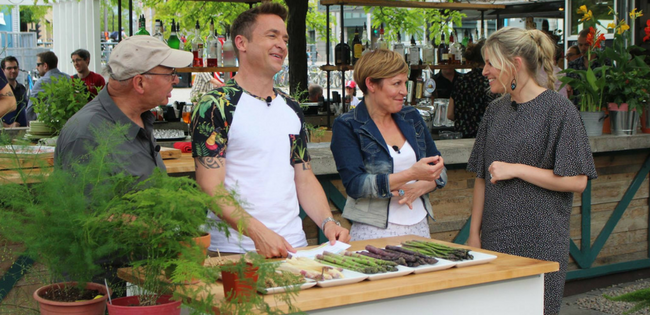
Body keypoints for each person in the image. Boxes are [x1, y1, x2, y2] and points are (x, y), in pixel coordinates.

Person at [191, 3, 350, 258]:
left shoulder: (291, 107)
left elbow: (304, 178)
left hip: (294, 247)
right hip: (234, 252)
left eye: (285, 38)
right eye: (272, 35)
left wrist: (328, 223)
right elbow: (211, 188)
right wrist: (258, 233)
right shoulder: (216, 105)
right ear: (242, 43)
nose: (282, 45)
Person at [466, 27, 597, 315]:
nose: (485, 71)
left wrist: (517, 169)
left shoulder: (559, 111)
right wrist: (474, 235)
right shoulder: (493, 112)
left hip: (542, 240)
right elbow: (481, 177)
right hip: (494, 239)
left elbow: (577, 181)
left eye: (490, 63)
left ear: (515, 64)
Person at [330, 49, 447, 241]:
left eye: (405, 83)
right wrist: (411, 175)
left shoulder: (411, 117)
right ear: (371, 84)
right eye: (396, 83)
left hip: (420, 226)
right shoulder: (348, 125)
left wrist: (420, 187)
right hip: (374, 231)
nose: (404, 91)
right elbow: (355, 185)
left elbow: (440, 170)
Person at [56, 35, 192, 180]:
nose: (176, 80)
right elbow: (86, 201)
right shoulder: (88, 137)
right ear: (139, 83)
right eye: (171, 74)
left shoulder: (139, 117)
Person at [447, 40, 495, 138]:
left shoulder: (460, 80)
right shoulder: (491, 83)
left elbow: (450, 115)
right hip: (483, 140)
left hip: (460, 139)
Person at [25, 51, 70, 122]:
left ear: (45, 66)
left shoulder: (41, 82)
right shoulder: (68, 78)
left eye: (38, 64)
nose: (36, 67)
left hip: (47, 125)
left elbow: (31, 110)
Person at [1, 56, 27, 127]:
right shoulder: (1, 90)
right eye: (9, 68)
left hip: (23, 132)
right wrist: (8, 126)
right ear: (3, 70)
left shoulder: (22, 88)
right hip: (5, 133)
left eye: (15, 68)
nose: (13, 71)